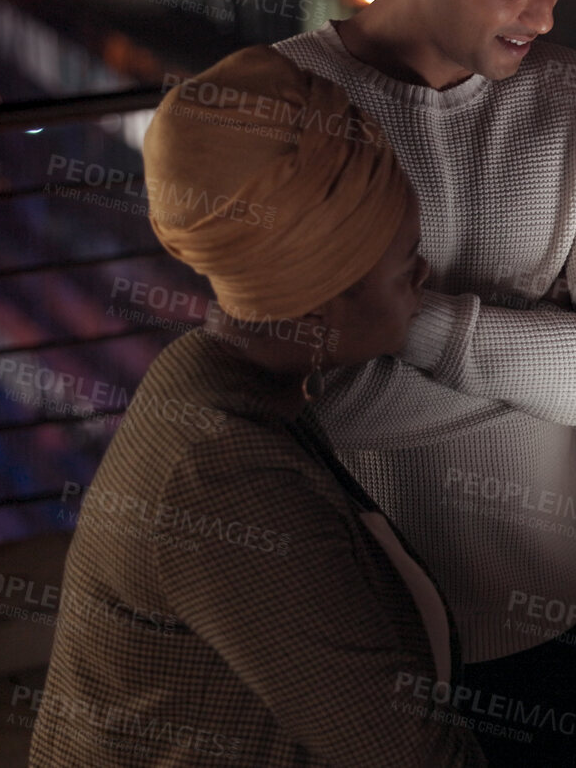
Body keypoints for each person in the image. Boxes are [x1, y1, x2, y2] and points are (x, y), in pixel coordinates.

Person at [231, 0, 576, 765]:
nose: (545, 17)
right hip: (353, 634)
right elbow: (301, 400)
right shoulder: (286, 106)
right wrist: (544, 350)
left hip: (553, 620)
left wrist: (398, 322)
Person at [29, 59, 480, 766]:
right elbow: (404, 754)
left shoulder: (212, 377)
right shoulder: (225, 474)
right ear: (321, 300)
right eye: (405, 266)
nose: (424, 278)